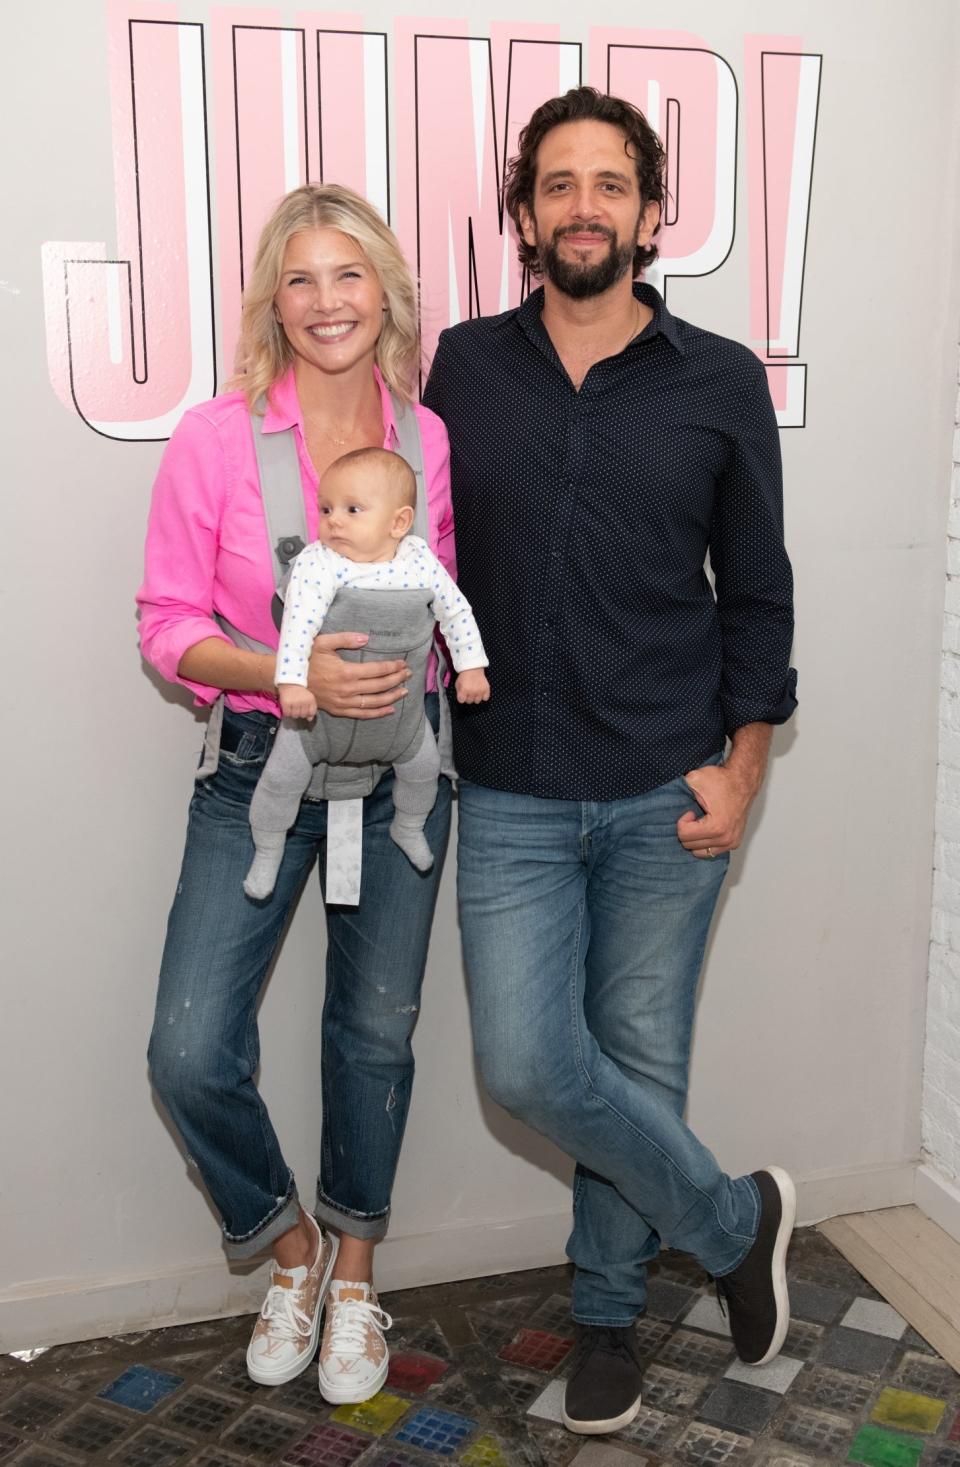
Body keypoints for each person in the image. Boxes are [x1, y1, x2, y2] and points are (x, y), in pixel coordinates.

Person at [423, 87, 798, 1436]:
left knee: (638, 1062)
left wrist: (744, 767)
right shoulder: (460, 367)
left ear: (652, 211)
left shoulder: (718, 380)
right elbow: (397, 537)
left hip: (665, 781)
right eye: (557, 184)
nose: (584, 206)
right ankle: (733, 1217)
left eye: (610, 183)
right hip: (513, 780)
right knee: (529, 1061)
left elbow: (756, 591)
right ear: (523, 214)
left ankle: (604, 1322)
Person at [139, 183, 452, 1404]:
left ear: (387, 293)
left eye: (351, 275)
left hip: (400, 779)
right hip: (254, 770)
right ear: (277, 297)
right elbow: (166, 625)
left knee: (375, 1035)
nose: (328, 303)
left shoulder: (427, 440)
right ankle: (292, 1249)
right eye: (303, 278)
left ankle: (359, 1281)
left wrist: (428, 679)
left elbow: (441, 593)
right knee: (187, 1048)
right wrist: (290, 669)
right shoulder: (214, 439)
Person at [244, 447, 489, 900]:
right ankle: (268, 846)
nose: (334, 520)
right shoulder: (320, 563)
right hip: (317, 724)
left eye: (352, 510)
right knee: (282, 777)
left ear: (398, 523)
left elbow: (456, 612)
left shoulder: (418, 560)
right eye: (326, 509)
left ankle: (408, 825)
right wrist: (292, 683)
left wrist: (471, 667)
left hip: (401, 721)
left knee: (425, 767)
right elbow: (298, 626)